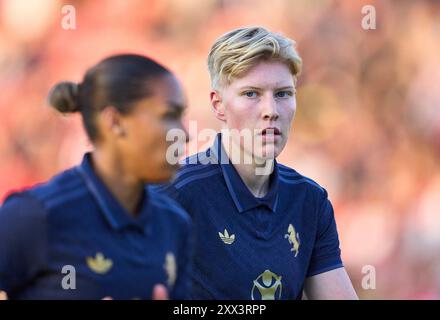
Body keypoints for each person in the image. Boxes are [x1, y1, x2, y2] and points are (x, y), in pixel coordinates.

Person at [155, 27, 358, 299]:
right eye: (251, 94)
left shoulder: (309, 201)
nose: (271, 111)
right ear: (218, 105)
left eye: (283, 94)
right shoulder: (174, 196)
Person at [0, 54, 192, 300]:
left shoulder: (174, 223)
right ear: (114, 122)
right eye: (169, 115)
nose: (185, 133)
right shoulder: (38, 215)